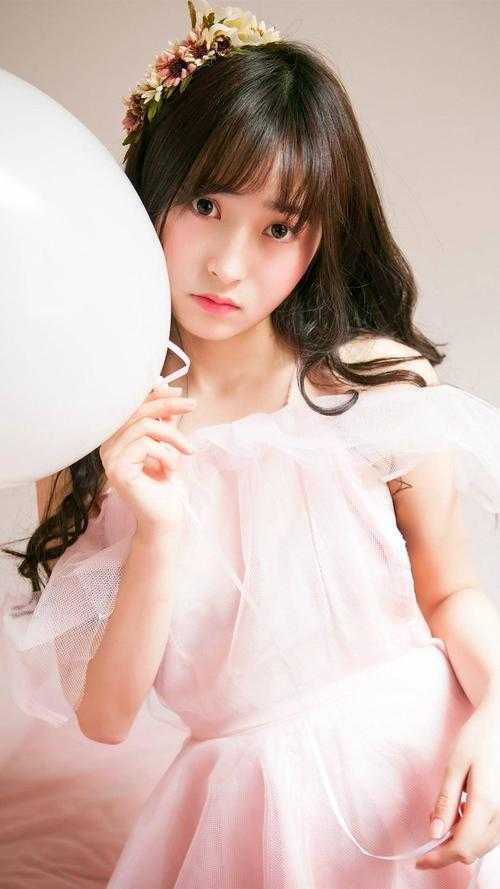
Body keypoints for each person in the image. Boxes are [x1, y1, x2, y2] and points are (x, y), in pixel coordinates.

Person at [2, 2, 500, 886]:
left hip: (421, 769)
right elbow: (106, 718)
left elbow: (450, 588)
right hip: (246, 806)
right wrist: (158, 532)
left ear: (320, 236)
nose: (228, 265)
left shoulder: (371, 385)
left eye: (278, 227)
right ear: (151, 188)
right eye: (206, 204)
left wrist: (498, 711)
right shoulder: (99, 435)